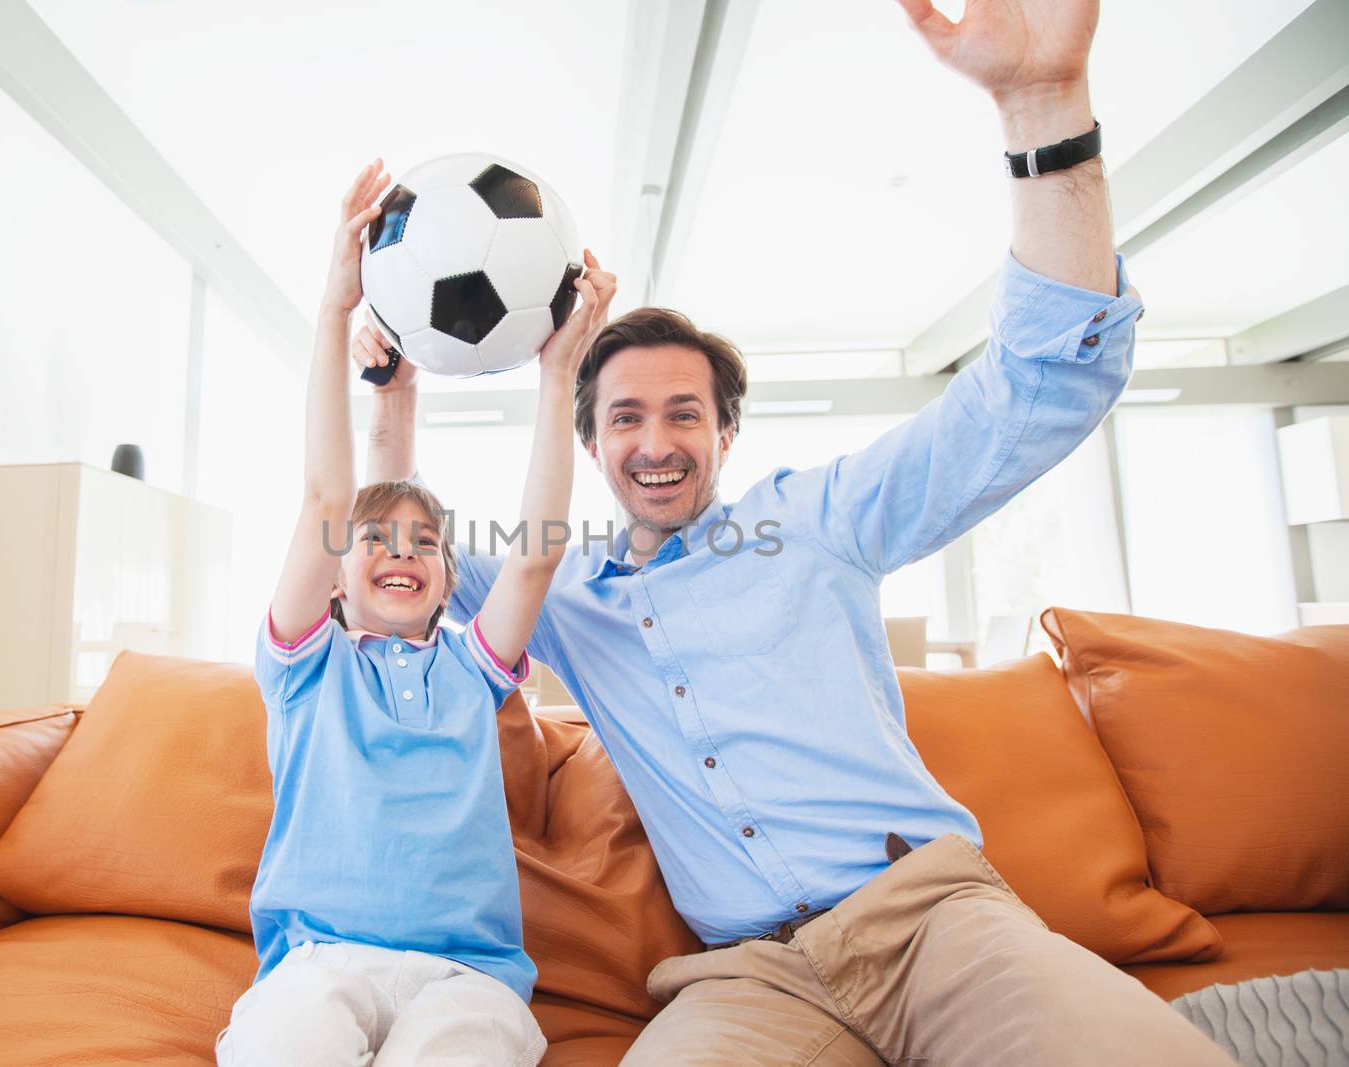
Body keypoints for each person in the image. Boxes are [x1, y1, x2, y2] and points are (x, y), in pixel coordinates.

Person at [351, 1, 1235, 1062]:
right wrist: (387, 392)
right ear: (588, 444)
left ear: (726, 430)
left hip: (934, 923)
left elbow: (1036, 391)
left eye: (685, 412)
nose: (656, 439)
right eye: (624, 416)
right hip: (744, 976)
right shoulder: (563, 592)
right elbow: (399, 554)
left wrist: (1041, 106)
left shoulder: (817, 517)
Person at [224, 159, 617, 1066]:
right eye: (377, 539)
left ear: (448, 587)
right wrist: (331, 310)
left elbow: (537, 553)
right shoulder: (303, 666)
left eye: (427, 543)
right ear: (332, 579)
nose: (402, 549)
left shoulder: (471, 672)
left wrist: (561, 373)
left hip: (466, 980)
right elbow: (331, 494)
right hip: (317, 964)